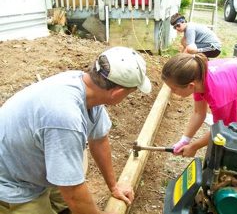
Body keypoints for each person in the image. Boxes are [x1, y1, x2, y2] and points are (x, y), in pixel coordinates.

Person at [0, 46, 152, 214]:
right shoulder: (65, 117)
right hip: (11, 182)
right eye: (130, 93)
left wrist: (114, 185)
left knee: (67, 205)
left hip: (32, 161)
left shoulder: (87, 87)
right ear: (117, 93)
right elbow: (72, 192)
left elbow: (99, 138)